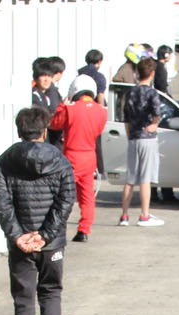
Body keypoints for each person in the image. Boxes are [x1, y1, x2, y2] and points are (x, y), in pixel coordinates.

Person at [0, 106, 76, 315]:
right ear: (44, 129)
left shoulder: (5, 161)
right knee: (50, 291)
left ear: (20, 130)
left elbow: (1, 201)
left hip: (21, 244)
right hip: (51, 244)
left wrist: (18, 234)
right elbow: (67, 198)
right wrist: (46, 234)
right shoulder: (59, 160)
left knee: (23, 297)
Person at [51, 75, 108, 243]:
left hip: (71, 155)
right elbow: (98, 131)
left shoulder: (71, 108)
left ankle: (58, 226)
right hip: (90, 155)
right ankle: (84, 230)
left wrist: (63, 104)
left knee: (63, 193)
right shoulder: (101, 111)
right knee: (87, 195)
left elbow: (55, 123)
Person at [119, 57, 165, 228]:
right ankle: (144, 215)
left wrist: (130, 134)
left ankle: (124, 215)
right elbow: (157, 112)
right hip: (147, 138)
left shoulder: (130, 92)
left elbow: (126, 118)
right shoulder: (152, 93)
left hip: (133, 137)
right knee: (145, 178)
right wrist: (154, 124)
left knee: (130, 178)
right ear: (152, 73)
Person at [32, 56, 67, 147]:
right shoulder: (35, 95)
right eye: (43, 76)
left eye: (49, 76)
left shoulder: (45, 95)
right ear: (36, 77)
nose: (46, 80)